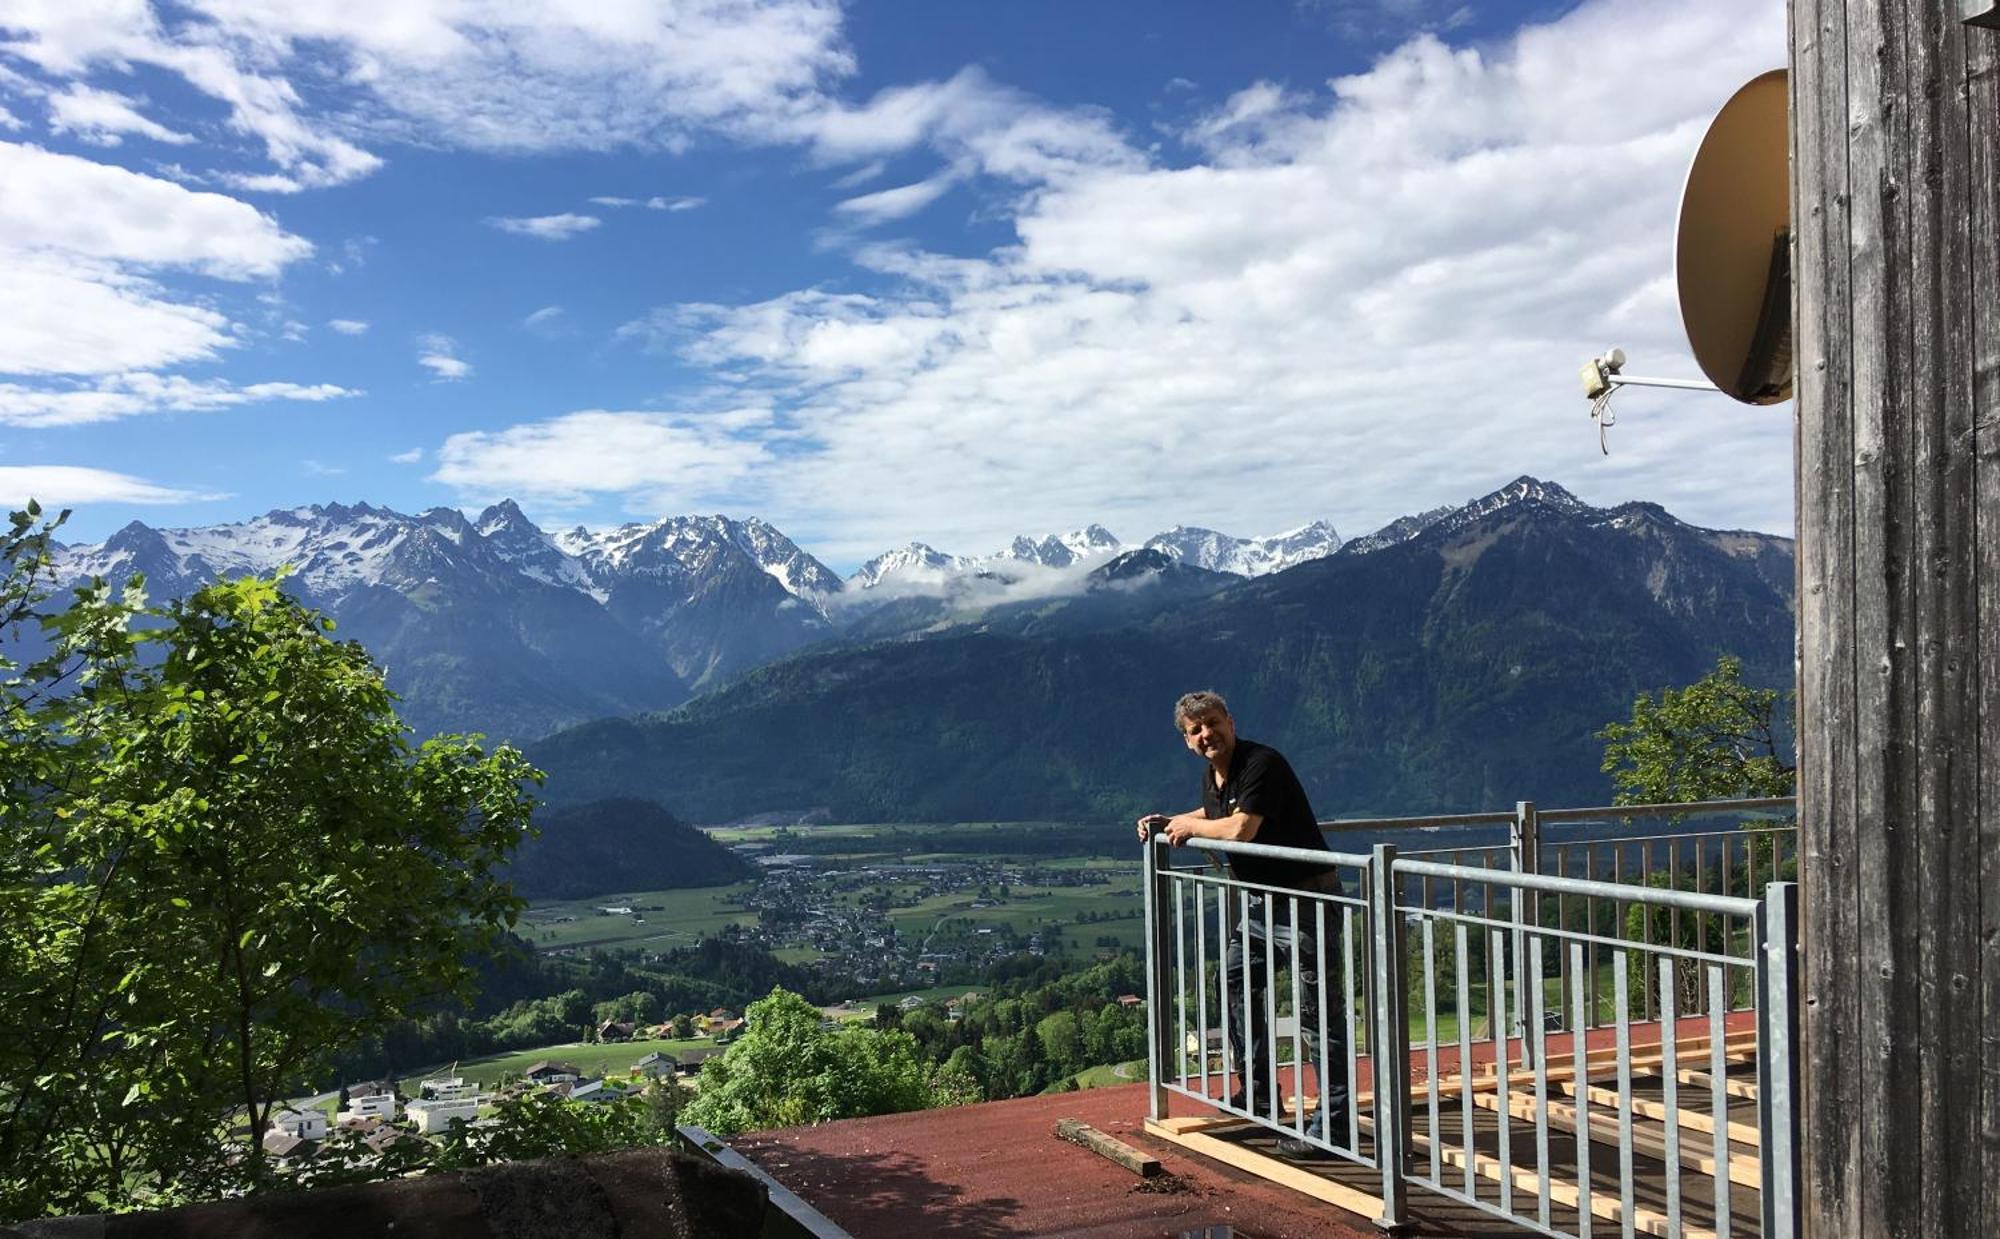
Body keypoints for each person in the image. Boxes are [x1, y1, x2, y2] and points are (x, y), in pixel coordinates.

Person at [1136, 690, 1351, 1156]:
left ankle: (1334, 1124)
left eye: (1212, 722)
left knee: (1319, 1013)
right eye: (1196, 730)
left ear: (1231, 722)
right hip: (1262, 904)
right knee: (1235, 980)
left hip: (1306, 898)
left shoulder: (1261, 764)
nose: (1206, 734)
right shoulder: (1214, 775)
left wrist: (1189, 829)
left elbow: (1239, 828)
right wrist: (1169, 820)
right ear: (1187, 741)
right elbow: (1215, 813)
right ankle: (1258, 1093)